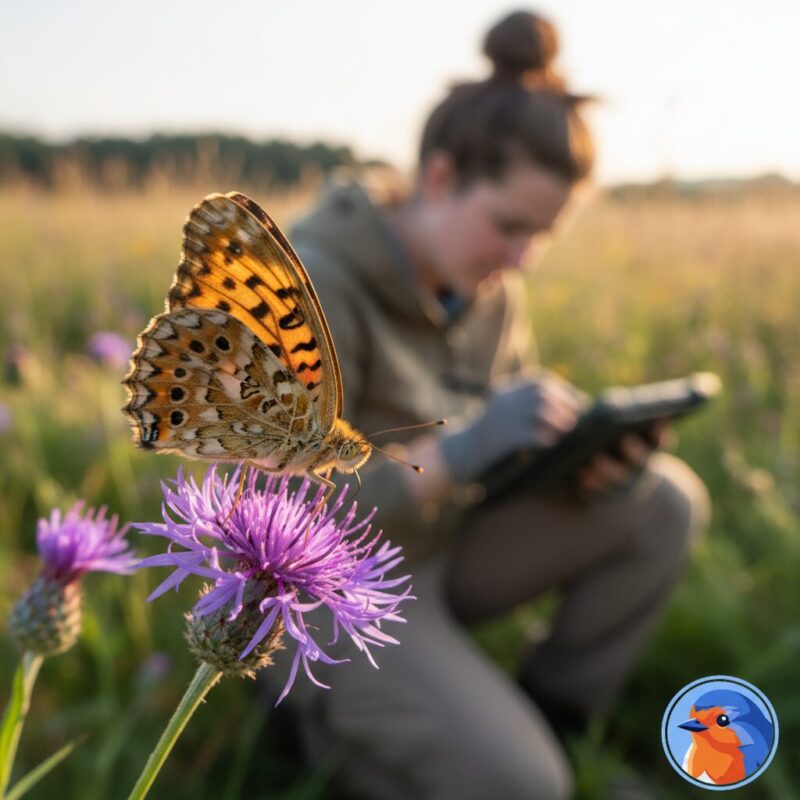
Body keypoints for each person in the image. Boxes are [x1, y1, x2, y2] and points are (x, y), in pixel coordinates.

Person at [266, 10, 710, 800]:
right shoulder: (313, 280)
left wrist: (575, 462)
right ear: (440, 177)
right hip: (329, 593)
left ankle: (550, 718)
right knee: (524, 787)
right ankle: (312, 726)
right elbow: (277, 511)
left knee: (662, 500)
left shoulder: (492, 288)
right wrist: (463, 450)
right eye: (509, 226)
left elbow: (498, 458)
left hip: (442, 552)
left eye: (542, 236)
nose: (521, 259)